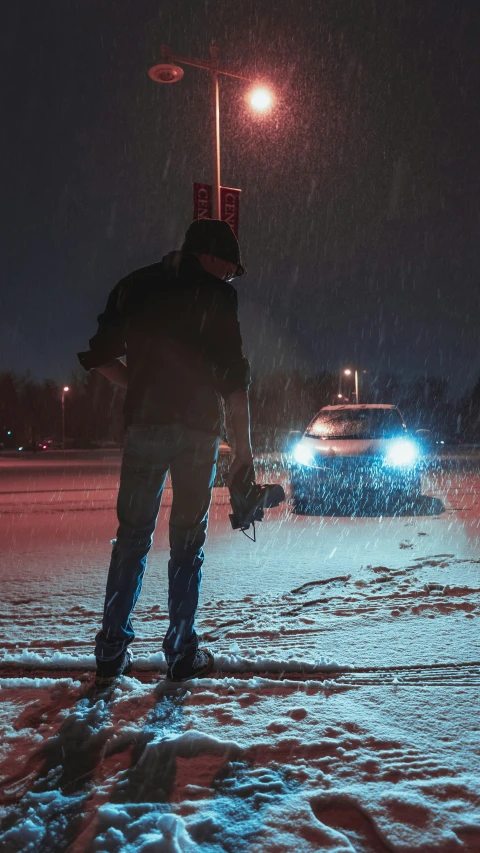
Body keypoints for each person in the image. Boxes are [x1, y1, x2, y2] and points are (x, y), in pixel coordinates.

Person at [77, 219, 253, 684]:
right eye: (231, 270)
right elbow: (234, 380)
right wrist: (245, 451)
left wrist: (143, 385)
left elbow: (98, 356)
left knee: (131, 538)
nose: (231, 279)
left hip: (145, 426)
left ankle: (111, 651)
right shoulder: (218, 297)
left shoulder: (135, 285)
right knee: (187, 543)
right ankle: (179, 651)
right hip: (197, 430)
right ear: (211, 257)